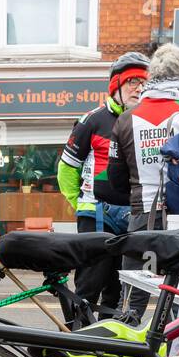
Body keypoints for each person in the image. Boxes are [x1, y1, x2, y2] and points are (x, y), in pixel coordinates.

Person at [106, 44, 179, 321]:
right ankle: (178, 354)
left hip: (143, 216)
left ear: (152, 75)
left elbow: (115, 179)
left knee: (132, 295)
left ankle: (122, 356)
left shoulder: (125, 119)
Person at [56, 52, 148, 321]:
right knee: (89, 284)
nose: (139, 87)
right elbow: (66, 169)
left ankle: (108, 345)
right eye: (132, 81)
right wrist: (81, 203)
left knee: (120, 287)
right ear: (115, 85)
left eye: (144, 82)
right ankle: (76, 338)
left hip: (133, 214)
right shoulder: (92, 120)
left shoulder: (144, 120)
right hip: (97, 214)